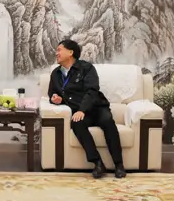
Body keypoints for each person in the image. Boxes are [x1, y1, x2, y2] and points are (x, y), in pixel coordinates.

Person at [47, 39, 126, 179]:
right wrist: (55, 99)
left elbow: (92, 91)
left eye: (59, 50)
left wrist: (82, 110)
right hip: (78, 112)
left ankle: (119, 165)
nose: (56, 53)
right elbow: (52, 93)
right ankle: (98, 163)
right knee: (76, 123)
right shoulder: (55, 74)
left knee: (107, 121)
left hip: (96, 107)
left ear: (70, 52)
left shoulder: (86, 68)